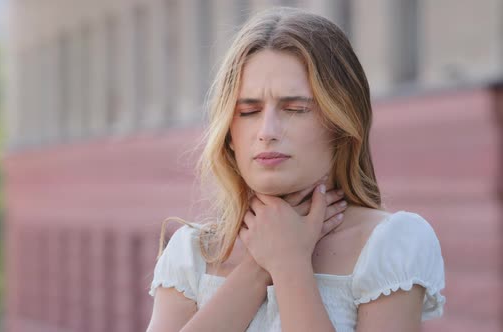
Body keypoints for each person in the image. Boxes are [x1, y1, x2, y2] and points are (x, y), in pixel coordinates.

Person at [146, 7, 446, 332]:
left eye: (295, 108)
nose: (267, 130)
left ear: (341, 122)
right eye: (248, 111)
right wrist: (260, 266)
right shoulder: (192, 254)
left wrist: (290, 266)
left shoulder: (389, 245)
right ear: (228, 133)